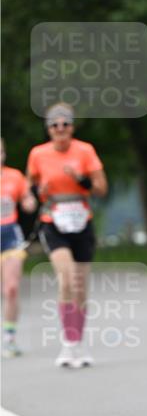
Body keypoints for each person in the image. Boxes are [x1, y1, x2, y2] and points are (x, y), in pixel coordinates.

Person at [26, 103, 108, 367]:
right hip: (54, 221)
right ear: (48, 129)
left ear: (72, 127)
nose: (60, 129)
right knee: (67, 279)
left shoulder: (85, 151)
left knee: (81, 286)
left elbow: (101, 189)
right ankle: (68, 343)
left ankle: (79, 343)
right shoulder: (38, 154)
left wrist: (81, 179)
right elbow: (29, 191)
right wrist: (41, 190)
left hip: (81, 221)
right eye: (54, 125)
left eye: (65, 124)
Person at [1, 138, 37, 357]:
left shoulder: (15, 176)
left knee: (11, 289)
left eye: (1, 152)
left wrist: (29, 202)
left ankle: (10, 338)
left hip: (10, 236)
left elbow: (27, 198)